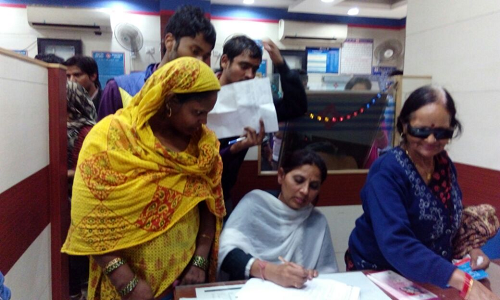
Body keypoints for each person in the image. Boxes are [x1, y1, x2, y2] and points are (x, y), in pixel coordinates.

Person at [61, 57, 226, 300]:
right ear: (170, 102)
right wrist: (126, 282)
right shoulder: (113, 137)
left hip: (183, 279)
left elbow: (210, 206)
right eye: (198, 112)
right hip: (127, 287)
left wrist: (199, 262)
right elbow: (88, 217)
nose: (204, 122)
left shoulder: (203, 146)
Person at [347, 85, 499, 300]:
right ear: (404, 126)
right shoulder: (387, 171)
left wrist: (470, 249)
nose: (430, 140)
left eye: (441, 133)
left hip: (430, 277)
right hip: (381, 273)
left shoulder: (444, 165)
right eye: (421, 131)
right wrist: (459, 279)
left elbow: (447, 223)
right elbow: (396, 242)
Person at [218, 149, 338, 288]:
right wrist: (272, 271)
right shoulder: (256, 204)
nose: (305, 191)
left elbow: (328, 274)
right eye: (298, 180)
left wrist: (310, 275)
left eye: (313, 186)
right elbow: (226, 253)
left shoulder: (317, 221)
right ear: (281, 176)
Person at [217, 36, 308, 214]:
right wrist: (235, 147)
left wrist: (281, 64)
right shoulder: (202, 91)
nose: (250, 75)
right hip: (189, 190)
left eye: (255, 68)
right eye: (243, 66)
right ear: (225, 61)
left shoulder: (255, 99)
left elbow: (296, 107)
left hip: (222, 193)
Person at [97, 5, 216, 121]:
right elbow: (102, 138)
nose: (199, 62)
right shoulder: (120, 89)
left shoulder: (199, 96)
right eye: (194, 51)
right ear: (170, 42)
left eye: (205, 57)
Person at [66, 81, 97, 300]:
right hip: (63, 200)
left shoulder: (88, 132)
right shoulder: (56, 126)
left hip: (80, 202)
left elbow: (88, 172)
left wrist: (61, 174)